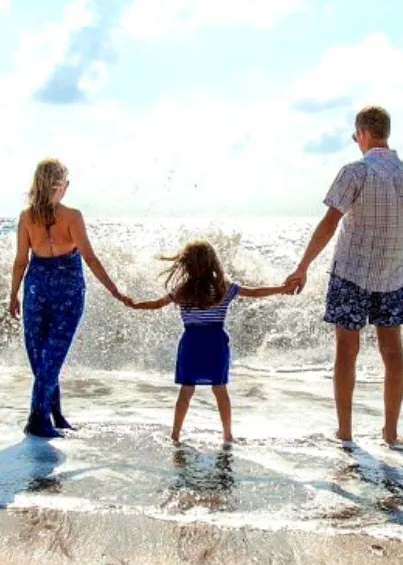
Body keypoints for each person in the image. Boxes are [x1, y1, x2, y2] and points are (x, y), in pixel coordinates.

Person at [285, 106, 403, 445]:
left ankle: (345, 432)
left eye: (356, 136)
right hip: (393, 275)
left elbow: (328, 224)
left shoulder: (355, 172)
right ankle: (391, 433)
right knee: (393, 353)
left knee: (346, 351)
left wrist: (303, 266)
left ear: (363, 133)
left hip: (352, 273)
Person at [127, 239, 295, 443]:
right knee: (220, 389)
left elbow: (156, 304)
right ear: (213, 263)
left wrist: (134, 304)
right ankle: (227, 435)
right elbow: (254, 292)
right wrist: (281, 289)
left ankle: (175, 435)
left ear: (186, 265)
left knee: (186, 390)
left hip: (192, 343)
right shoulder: (225, 288)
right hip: (216, 343)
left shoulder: (182, 290)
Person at [9, 158, 130, 439]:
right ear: (61, 186)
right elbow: (89, 257)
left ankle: (54, 414)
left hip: (37, 289)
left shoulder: (27, 216)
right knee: (49, 357)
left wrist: (13, 294)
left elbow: (20, 261)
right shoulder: (72, 216)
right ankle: (38, 419)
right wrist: (115, 290)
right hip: (67, 291)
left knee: (45, 357)